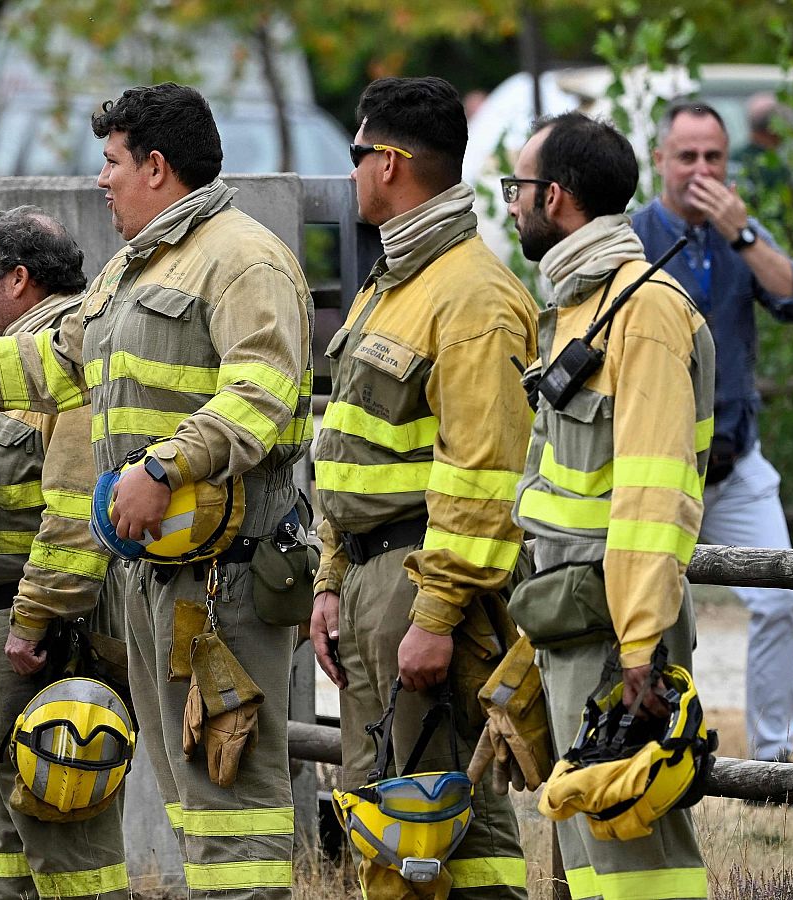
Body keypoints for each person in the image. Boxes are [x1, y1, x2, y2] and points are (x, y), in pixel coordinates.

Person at [0, 82, 314, 898]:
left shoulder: (243, 258)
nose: (100, 181)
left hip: (228, 582)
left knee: (231, 809)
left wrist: (160, 468)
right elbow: (49, 363)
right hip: (157, 580)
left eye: (111, 163)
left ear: (156, 165)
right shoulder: (128, 274)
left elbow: (262, 395)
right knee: (191, 801)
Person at [308, 77, 535, 900]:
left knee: (439, 809)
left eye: (357, 154)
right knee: (391, 807)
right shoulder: (394, 280)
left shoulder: (473, 296)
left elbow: (484, 476)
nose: (353, 172)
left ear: (392, 162)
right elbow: (350, 450)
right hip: (373, 583)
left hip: (421, 584)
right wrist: (333, 579)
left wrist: (436, 617)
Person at [507, 111, 714, 900]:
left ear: (555, 196)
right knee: (593, 857)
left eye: (518, 187)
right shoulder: (575, 307)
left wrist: (640, 649)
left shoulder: (646, 312)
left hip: (619, 636)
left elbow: (653, 500)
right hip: (572, 620)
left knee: (639, 861)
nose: (511, 203)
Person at [0, 206, 127, 899]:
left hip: (44, 638)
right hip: (4, 628)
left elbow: (76, 506)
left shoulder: (64, 359)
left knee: (61, 816)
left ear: (19, 279)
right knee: (2, 825)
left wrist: (35, 617)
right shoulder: (16, 358)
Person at [631, 100, 793, 762]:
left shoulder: (742, 234)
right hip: (649, 474)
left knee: (780, 597)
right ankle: (645, 751)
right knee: (634, 620)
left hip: (735, 467)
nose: (701, 170)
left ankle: (771, 761)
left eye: (714, 156)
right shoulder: (632, 236)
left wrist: (742, 235)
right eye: (687, 156)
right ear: (660, 161)